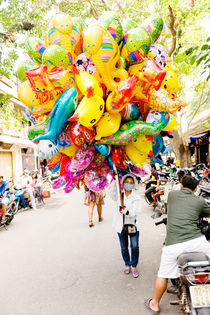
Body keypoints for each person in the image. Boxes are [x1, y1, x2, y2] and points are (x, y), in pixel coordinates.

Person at [144, 175, 210, 314]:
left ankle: (155, 303)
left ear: (181, 185)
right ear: (196, 188)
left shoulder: (172, 195)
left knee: (163, 274)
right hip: (197, 242)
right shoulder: (199, 200)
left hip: (173, 245)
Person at [108, 174, 141, 278]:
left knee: (134, 246)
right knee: (124, 247)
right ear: (123, 184)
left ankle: (134, 265)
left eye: (131, 183)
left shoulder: (136, 197)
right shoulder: (119, 195)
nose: (129, 184)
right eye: (127, 182)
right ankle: (127, 263)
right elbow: (111, 192)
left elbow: (136, 210)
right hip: (120, 225)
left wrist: (127, 212)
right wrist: (114, 179)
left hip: (132, 225)